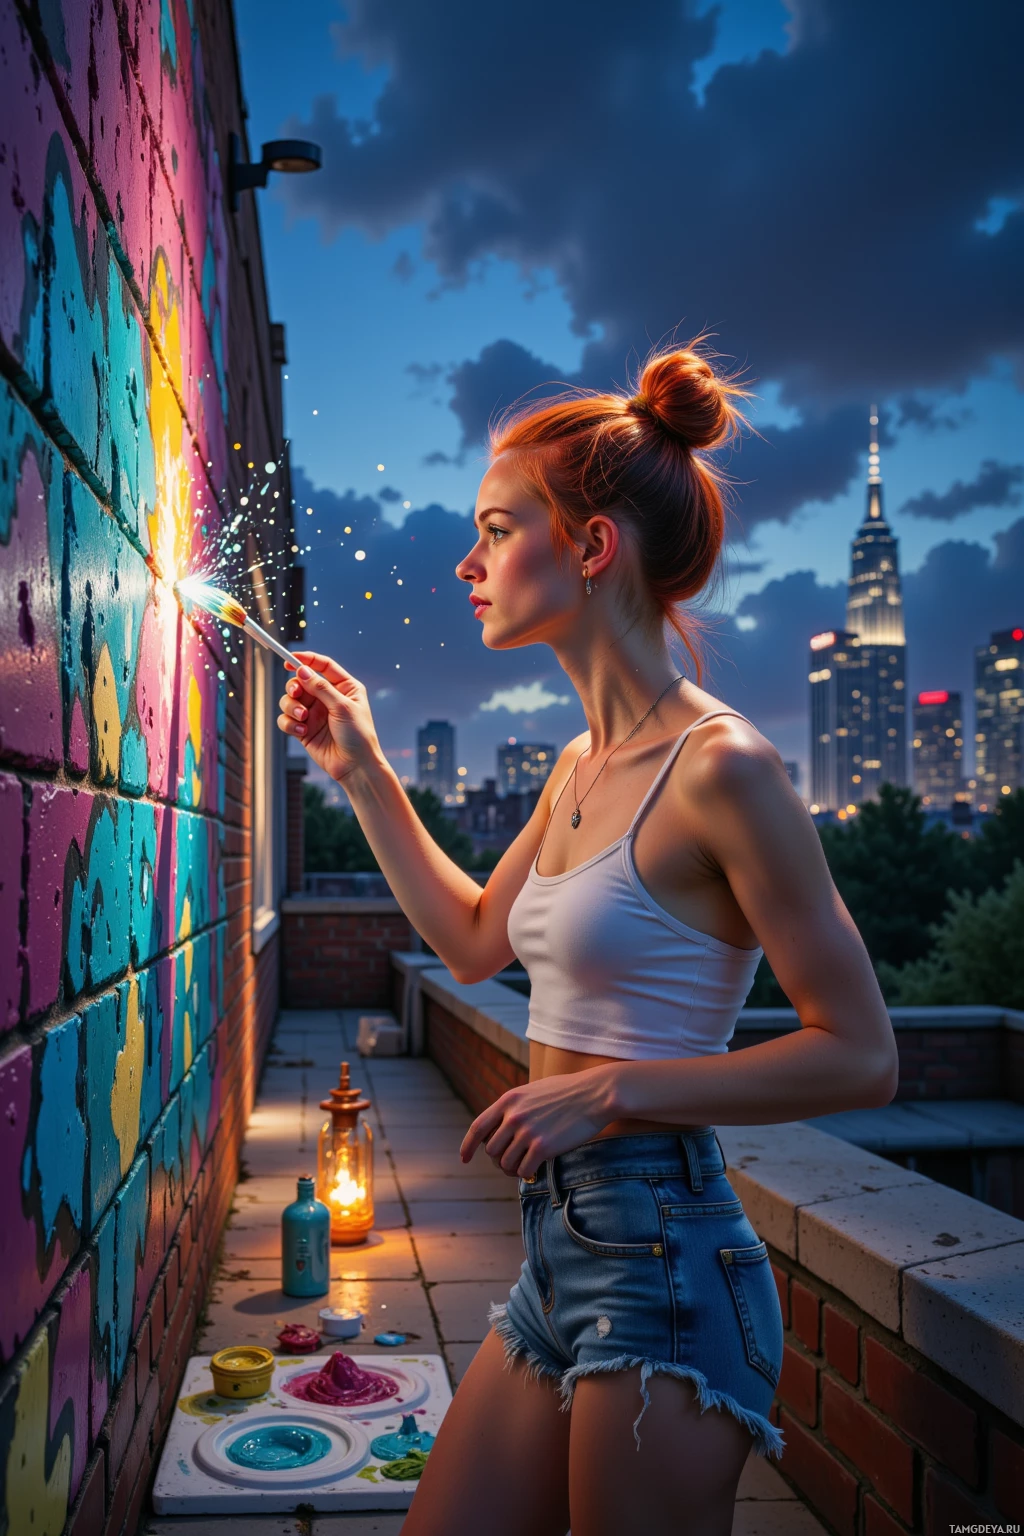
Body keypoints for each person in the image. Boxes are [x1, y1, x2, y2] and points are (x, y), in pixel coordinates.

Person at [276, 342, 899, 1536]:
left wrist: (608, 1093)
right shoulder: (573, 764)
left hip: (666, 1260)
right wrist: (360, 770)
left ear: (591, 545)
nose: (467, 562)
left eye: (497, 528)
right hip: (554, 1250)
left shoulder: (724, 769)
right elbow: (469, 943)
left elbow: (862, 1054)